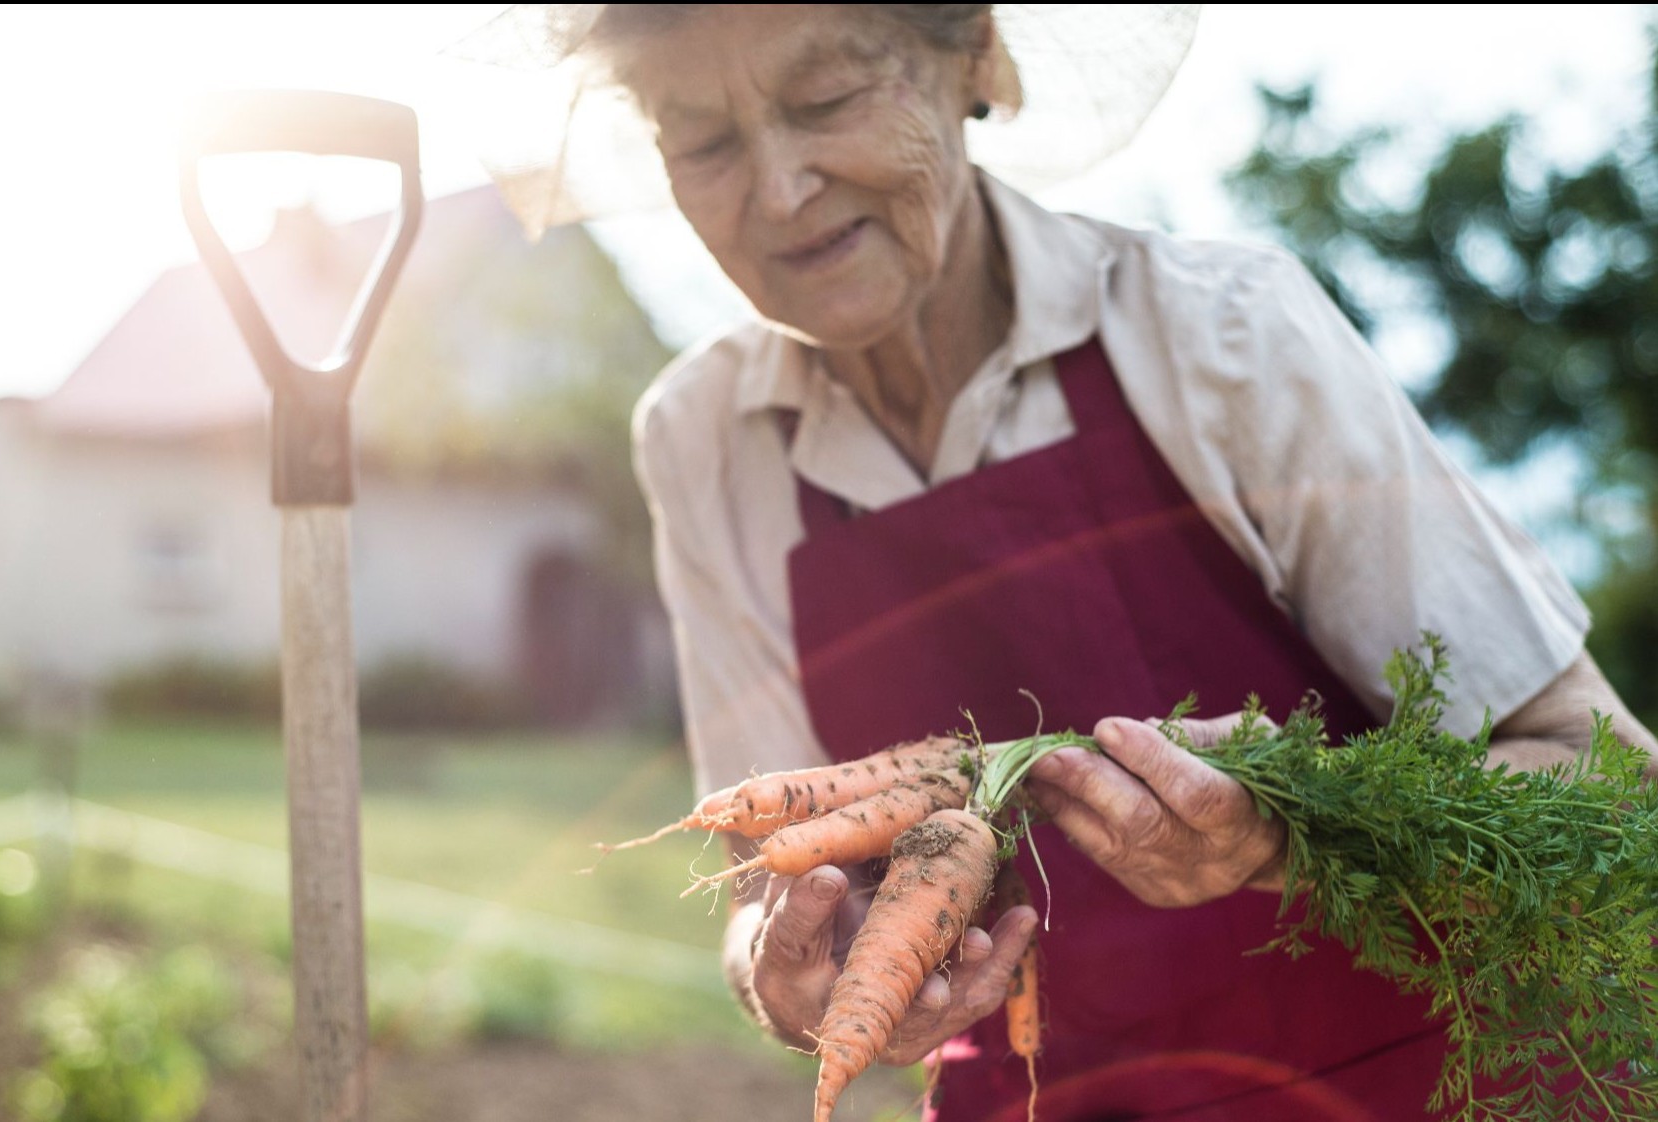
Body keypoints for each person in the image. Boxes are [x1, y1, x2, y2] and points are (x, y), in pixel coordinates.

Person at [460, 5, 1657, 1119]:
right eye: (705, 140)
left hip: (1427, 1082)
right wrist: (794, 980)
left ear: (972, 54)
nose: (779, 191)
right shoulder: (700, 439)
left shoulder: (1222, 334)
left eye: (828, 101)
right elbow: (758, 894)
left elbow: (1610, 783)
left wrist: (1299, 834)